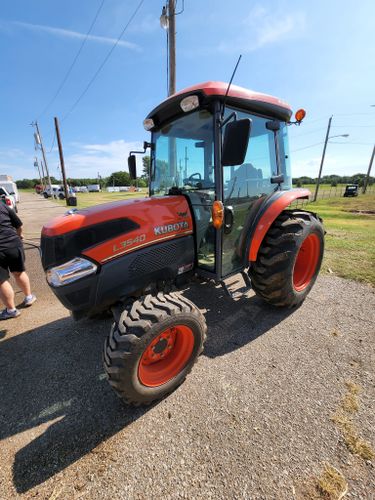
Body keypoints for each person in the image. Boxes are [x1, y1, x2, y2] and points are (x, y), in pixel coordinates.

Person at [0, 202, 36, 319]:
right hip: (13, 244)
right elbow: (19, 225)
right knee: (19, 272)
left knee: (1, 281)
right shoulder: (2, 205)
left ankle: (11, 310)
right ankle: (29, 297)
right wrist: (19, 236)